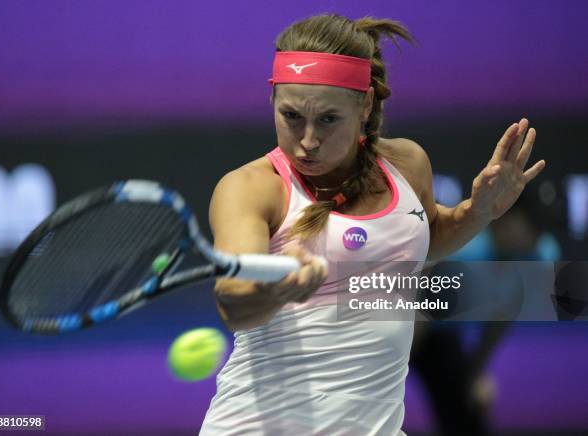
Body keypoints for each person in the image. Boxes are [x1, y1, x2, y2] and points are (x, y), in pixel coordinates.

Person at [200, 13, 545, 435]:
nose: (307, 140)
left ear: (364, 105)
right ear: (272, 98)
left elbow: (425, 241)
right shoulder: (251, 188)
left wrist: (479, 211)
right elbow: (232, 301)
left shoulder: (407, 164)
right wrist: (278, 289)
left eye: (328, 119)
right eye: (291, 116)